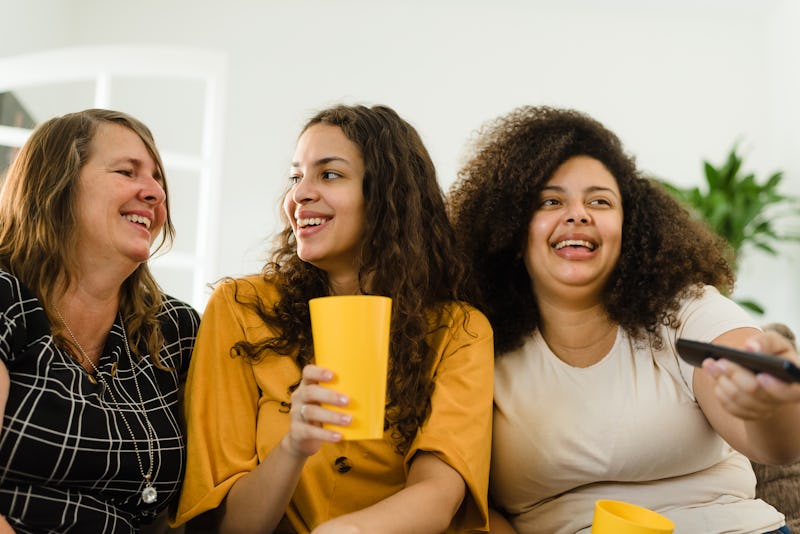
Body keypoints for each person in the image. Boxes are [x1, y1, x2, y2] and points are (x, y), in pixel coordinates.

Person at [446, 105, 800, 534]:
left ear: (626, 228)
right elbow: (468, 507)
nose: (578, 214)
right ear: (512, 232)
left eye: (600, 201)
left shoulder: (682, 309)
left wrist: (772, 403)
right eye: (551, 201)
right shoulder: (473, 341)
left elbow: (775, 443)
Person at [172, 104, 494, 533]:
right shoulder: (240, 307)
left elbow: (437, 497)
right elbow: (231, 526)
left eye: (329, 174)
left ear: (387, 198)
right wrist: (293, 446)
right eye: (295, 176)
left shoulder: (459, 331)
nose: (299, 194)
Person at [0, 109, 200, 532]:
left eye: (158, 179)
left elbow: (182, 512)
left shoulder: (176, 330)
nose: (155, 193)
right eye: (128, 172)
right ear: (57, 185)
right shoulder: (5, 298)